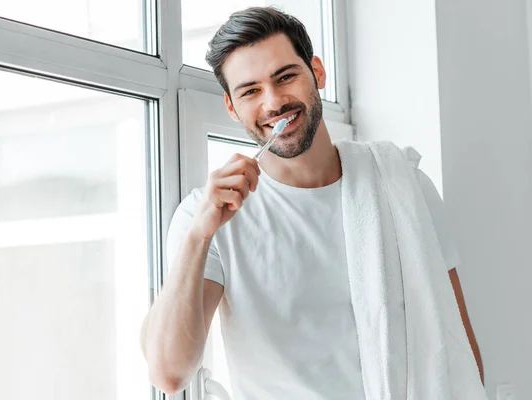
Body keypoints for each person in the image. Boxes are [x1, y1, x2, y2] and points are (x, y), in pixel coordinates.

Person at [141, 6, 484, 399]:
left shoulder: (404, 185)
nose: (273, 102)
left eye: (285, 76)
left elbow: (459, 349)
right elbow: (169, 374)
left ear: (317, 72)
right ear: (232, 107)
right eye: (250, 91)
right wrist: (197, 238)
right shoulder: (207, 218)